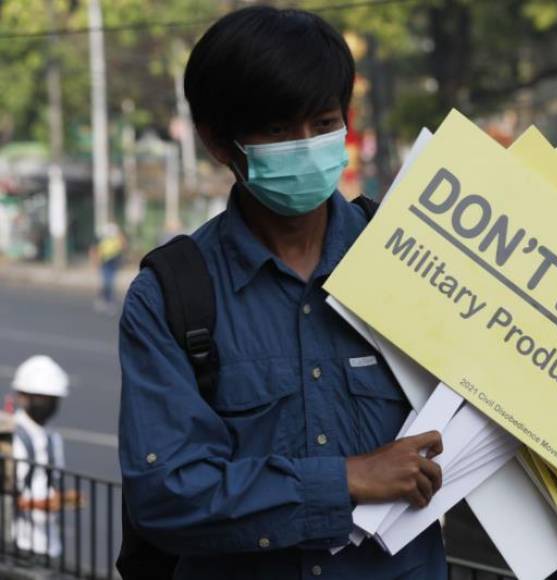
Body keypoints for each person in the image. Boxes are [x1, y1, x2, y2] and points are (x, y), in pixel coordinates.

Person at [118, 7, 446, 579]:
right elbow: (166, 494)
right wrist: (344, 479)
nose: (305, 145)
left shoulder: (411, 260)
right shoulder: (170, 297)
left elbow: (508, 428)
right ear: (218, 142)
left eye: (322, 124)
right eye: (276, 130)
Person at [11, 355, 80, 558]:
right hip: (18, 541)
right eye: (41, 398)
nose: (48, 405)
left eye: (52, 399)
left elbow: (49, 484)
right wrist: (45, 503)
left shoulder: (53, 438)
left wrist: (61, 499)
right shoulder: (10, 435)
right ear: (23, 396)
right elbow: (8, 494)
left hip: (48, 543)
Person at [91, 222, 126, 312]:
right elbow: (95, 250)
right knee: (108, 282)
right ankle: (108, 300)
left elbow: (123, 246)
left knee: (109, 282)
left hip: (113, 263)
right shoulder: (103, 239)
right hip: (105, 263)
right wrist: (96, 261)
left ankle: (105, 299)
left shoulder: (115, 239)